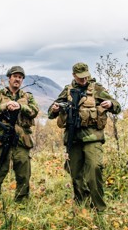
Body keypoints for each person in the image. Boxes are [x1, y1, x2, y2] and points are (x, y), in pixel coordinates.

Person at [48, 62, 121, 212]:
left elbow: (117, 106)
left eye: (85, 76)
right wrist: (55, 109)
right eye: (80, 77)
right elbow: (51, 112)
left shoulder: (97, 89)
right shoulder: (67, 91)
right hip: (73, 138)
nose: (83, 80)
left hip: (92, 137)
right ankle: (82, 204)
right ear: (74, 75)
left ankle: (99, 208)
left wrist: (110, 104)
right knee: (75, 173)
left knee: (94, 169)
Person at [0, 66, 39, 202]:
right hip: (2, 140)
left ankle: (21, 203)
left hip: (22, 140)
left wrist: (21, 106)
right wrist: (5, 106)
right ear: (9, 78)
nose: (17, 79)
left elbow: (35, 110)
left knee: (24, 175)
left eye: (20, 77)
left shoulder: (27, 96)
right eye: (15, 76)